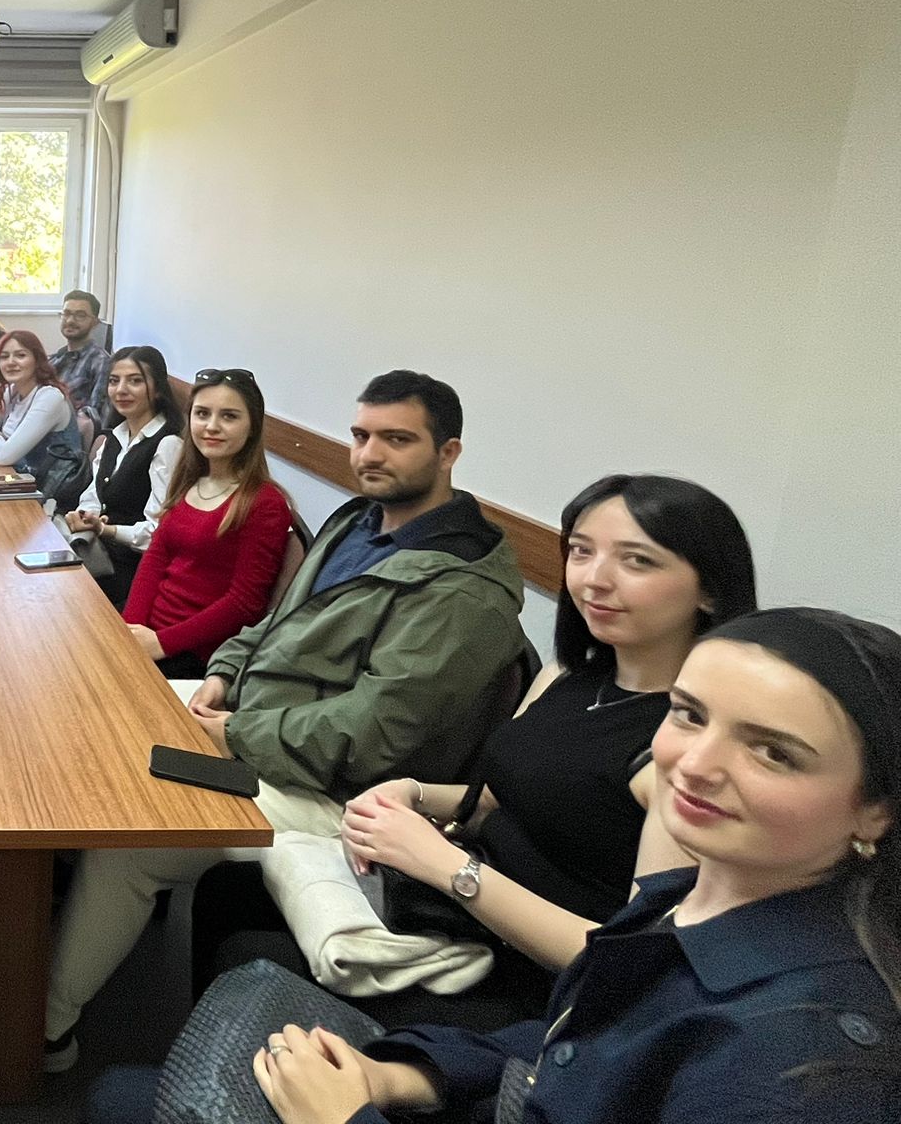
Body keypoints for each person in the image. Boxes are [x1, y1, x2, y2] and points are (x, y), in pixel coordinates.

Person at [102, 607, 901, 1123]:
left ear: (876, 810)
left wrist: (348, 1117)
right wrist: (405, 1075)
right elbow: (567, 1043)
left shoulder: (801, 1066)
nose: (694, 764)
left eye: (773, 752)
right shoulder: (687, 895)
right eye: (689, 716)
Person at [44, 371, 530, 1071]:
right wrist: (223, 673)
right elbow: (276, 624)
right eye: (361, 435)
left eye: (397, 440)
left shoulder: (462, 587)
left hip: (331, 788)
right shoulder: (359, 522)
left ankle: (47, 1028)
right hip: (259, 716)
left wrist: (232, 733)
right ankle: (43, 902)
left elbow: (370, 734)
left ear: (448, 452)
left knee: (133, 838)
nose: (369, 454)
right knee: (96, 712)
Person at [332, 473, 758, 1016]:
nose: (594, 580)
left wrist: (447, 868)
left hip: (537, 995)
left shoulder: (687, 752)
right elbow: (501, 798)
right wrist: (409, 794)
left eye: (636, 561)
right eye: (581, 551)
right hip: (455, 926)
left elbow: (626, 962)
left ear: (710, 591)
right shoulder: (569, 674)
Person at [118, 368, 293, 677]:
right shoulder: (191, 481)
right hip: (150, 635)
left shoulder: (265, 503)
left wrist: (160, 643)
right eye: (202, 414)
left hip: (196, 653)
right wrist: (131, 628)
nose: (212, 426)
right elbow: (156, 557)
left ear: (252, 426)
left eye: (229, 416)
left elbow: (244, 604)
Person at [63, 345, 183, 606]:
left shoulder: (168, 444)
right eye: (114, 381)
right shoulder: (114, 437)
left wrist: (107, 530)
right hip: (99, 556)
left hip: (133, 572)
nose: (121, 390)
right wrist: (86, 516)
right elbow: (93, 495)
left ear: (158, 389)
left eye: (135, 381)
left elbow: (158, 533)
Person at [0, 330, 92, 512]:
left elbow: (5, 456)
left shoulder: (49, 397)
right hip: (18, 482)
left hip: (48, 496)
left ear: (37, 360)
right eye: (4, 357)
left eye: (20, 355)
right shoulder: (13, 390)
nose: (11, 362)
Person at [50, 289, 113, 445]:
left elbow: (96, 417)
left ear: (95, 322)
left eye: (80, 315)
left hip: (65, 443)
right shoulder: (55, 358)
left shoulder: (101, 362)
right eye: (66, 314)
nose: (70, 320)